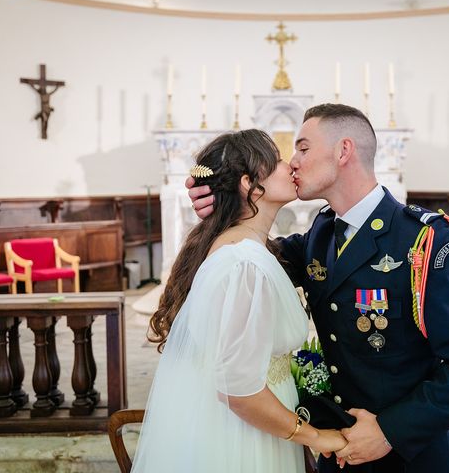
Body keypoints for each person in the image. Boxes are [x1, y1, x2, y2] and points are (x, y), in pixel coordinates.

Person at [188, 105, 449, 472]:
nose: (293, 162)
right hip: (337, 457)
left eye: (303, 148)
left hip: (408, 458)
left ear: (343, 151)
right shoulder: (321, 233)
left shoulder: (424, 241)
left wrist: (388, 431)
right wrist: (223, 202)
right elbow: (245, 258)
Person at [133, 129, 347, 473]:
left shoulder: (250, 249)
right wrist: (317, 437)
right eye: (277, 161)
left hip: (257, 428)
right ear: (249, 184)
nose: (290, 164)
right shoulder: (245, 264)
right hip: (246, 438)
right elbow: (239, 390)